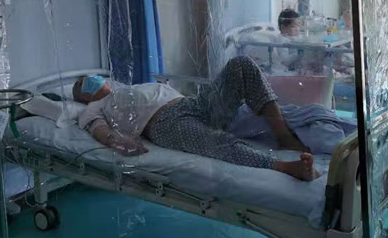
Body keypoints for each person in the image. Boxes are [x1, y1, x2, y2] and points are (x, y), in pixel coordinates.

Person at [72, 56, 318, 181]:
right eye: (83, 84)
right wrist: (119, 142)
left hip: (194, 104)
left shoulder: (129, 87)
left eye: (89, 77)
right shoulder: (94, 108)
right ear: (83, 97)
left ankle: (283, 136)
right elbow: (99, 130)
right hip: (165, 124)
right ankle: (284, 167)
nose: (90, 80)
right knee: (216, 142)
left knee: (241, 64)